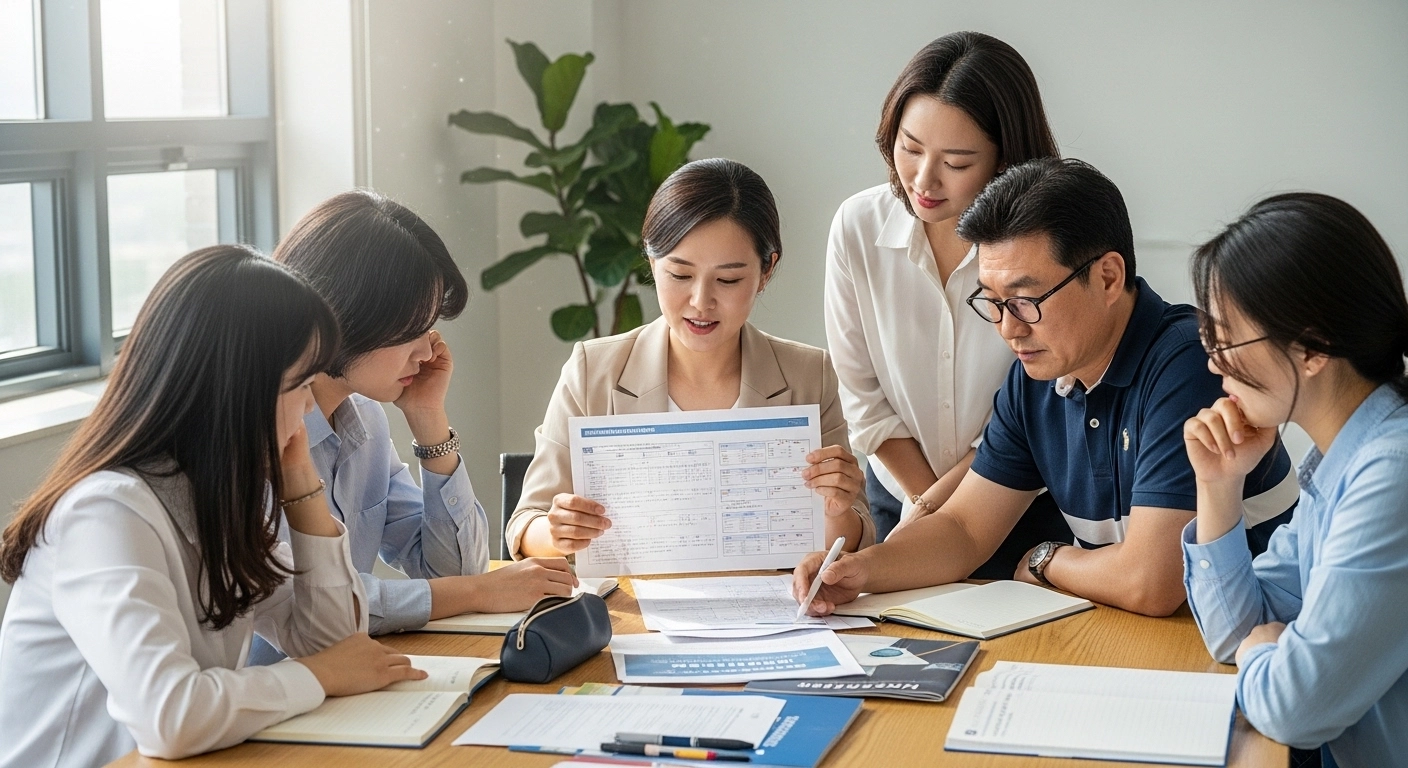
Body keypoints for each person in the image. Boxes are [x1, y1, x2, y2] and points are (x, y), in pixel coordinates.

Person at [794, 158, 1297, 618]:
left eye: (1025, 299)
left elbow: (1152, 583)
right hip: (1136, 640)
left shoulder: (1187, 363)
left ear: (1107, 277)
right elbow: (964, 530)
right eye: (991, 301)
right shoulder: (1037, 375)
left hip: (1240, 644)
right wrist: (861, 573)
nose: (1008, 328)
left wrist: (1044, 559)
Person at [0, 246, 425, 767]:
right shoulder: (106, 512)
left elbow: (333, 641)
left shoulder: (216, 496)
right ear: (236, 390)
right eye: (298, 386)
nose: (311, 406)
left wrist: (300, 486)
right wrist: (321, 677)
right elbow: (169, 718)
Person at [509, 158, 874, 559]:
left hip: (768, 612)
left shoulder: (808, 374)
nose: (701, 302)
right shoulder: (593, 371)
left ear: (766, 271)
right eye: (680, 275)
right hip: (632, 611)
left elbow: (855, 536)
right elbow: (527, 523)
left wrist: (837, 510)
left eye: (729, 279)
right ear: (651, 261)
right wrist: (556, 532)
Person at [269, 190, 576, 641]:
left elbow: (452, 567)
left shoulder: (365, 422)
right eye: (412, 330)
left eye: (430, 327)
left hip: (347, 684)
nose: (429, 350)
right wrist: (473, 593)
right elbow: (310, 604)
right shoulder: (261, 432)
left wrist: (429, 418)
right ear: (346, 316)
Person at [825, 31, 1068, 570]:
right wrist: (926, 508)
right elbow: (861, 396)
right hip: (900, 502)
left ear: (1007, 159)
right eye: (910, 148)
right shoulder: (858, 227)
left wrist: (950, 514)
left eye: (956, 163)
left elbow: (1045, 397)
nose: (923, 179)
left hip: (1024, 507)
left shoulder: (1045, 247)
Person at [1182, 193, 1408, 768]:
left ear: (1312, 347)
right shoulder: (1345, 457)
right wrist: (1218, 486)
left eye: (1226, 337)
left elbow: (1292, 707)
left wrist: (1264, 654)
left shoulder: (1392, 473)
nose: (1212, 360)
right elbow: (1238, 631)